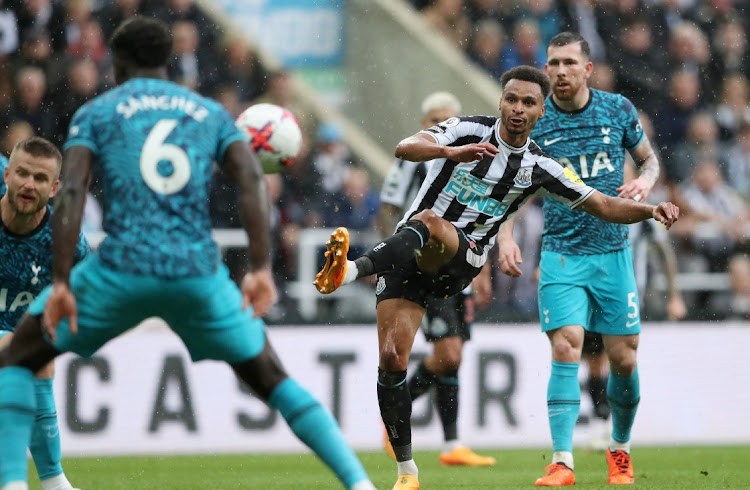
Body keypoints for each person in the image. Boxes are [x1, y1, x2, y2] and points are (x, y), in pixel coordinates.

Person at [0, 17, 375, 490]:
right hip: (197, 272)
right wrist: (259, 267)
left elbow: (71, 191)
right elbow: (252, 183)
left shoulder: (97, 113)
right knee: (272, 378)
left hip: (123, 268)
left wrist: (59, 282)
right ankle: (359, 484)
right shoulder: (209, 113)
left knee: (19, 357)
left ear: (117, 65)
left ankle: (12, 483)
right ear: (167, 62)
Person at [314, 64, 679, 490]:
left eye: (528, 102)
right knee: (392, 361)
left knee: (432, 222)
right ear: (500, 101)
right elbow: (405, 147)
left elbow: (601, 204)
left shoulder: (540, 165)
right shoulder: (467, 129)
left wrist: (650, 210)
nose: (517, 109)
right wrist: (449, 153)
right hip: (406, 256)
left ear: (542, 111)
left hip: (461, 258)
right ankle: (407, 474)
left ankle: (351, 269)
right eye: (511, 99)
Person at [497, 32, 664, 486]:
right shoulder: (536, 118)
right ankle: (562, 460)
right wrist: (505, 236)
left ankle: (620, 449)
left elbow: (649, 162)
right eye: (552, 64)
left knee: (624, 360)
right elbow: (512, 186)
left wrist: (645, 183)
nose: (559, 72)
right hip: (562, 255)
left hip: (613, 253)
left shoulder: (617, 110)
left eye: (569, 63)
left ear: (587, 69)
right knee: (566, 345)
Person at [377, 91, 495, 467]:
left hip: (458, 265)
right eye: (434, 121)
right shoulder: (414, 162)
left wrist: (483, 268)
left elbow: (482, 219)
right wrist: (391, 254)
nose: (441, 127)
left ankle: (452, 444)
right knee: (448, 352)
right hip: (423, 266)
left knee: (453, 355)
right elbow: (388, 208)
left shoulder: (469, 162)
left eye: (448, 119)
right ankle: (394, 411)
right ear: (425, 123)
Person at [1, 138, 88, 490]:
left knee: (38, 356)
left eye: (39, 178)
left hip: (20, 332)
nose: (28, 184)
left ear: (54, 189)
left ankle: (52, 481)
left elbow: (80, 298)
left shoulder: (66, 243)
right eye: (21, 173)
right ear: (6, 174)